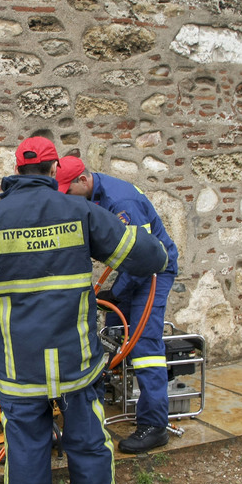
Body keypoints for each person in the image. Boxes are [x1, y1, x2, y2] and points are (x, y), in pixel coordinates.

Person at [0, 137, 168, 484]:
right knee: (88, 443)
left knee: (27, 452)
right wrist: (153, 245)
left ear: (16, 170)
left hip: (23, 367)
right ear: (53, 171)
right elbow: (145, 258)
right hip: (76, 362)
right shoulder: (81, 211)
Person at [57, 156, 179, 455]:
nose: (65, 199)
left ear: (83, 181)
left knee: (143, 345)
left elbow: (142, 257)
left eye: (66, 191)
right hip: (130, 272)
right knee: (113, 337)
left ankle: (155, 425)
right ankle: (115, 399)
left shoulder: (122, 202)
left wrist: (118, 292)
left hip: (152, 272)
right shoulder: (92, 195)